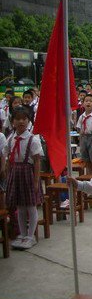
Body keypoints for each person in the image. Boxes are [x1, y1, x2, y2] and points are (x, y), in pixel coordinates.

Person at [5, 106, 42, 250]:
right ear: (12, 121)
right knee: (20, 206)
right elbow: (8, 158)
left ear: (28, 121)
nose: (21, 121)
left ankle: (30, 236)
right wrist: (8, 176)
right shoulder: (11, 139)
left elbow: (37, 160)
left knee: (31, 206)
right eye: (17, 119)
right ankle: (22, 234)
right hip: (15, 172)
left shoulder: (33, 139)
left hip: (28, 172)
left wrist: (36, 181)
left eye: (24, 119)